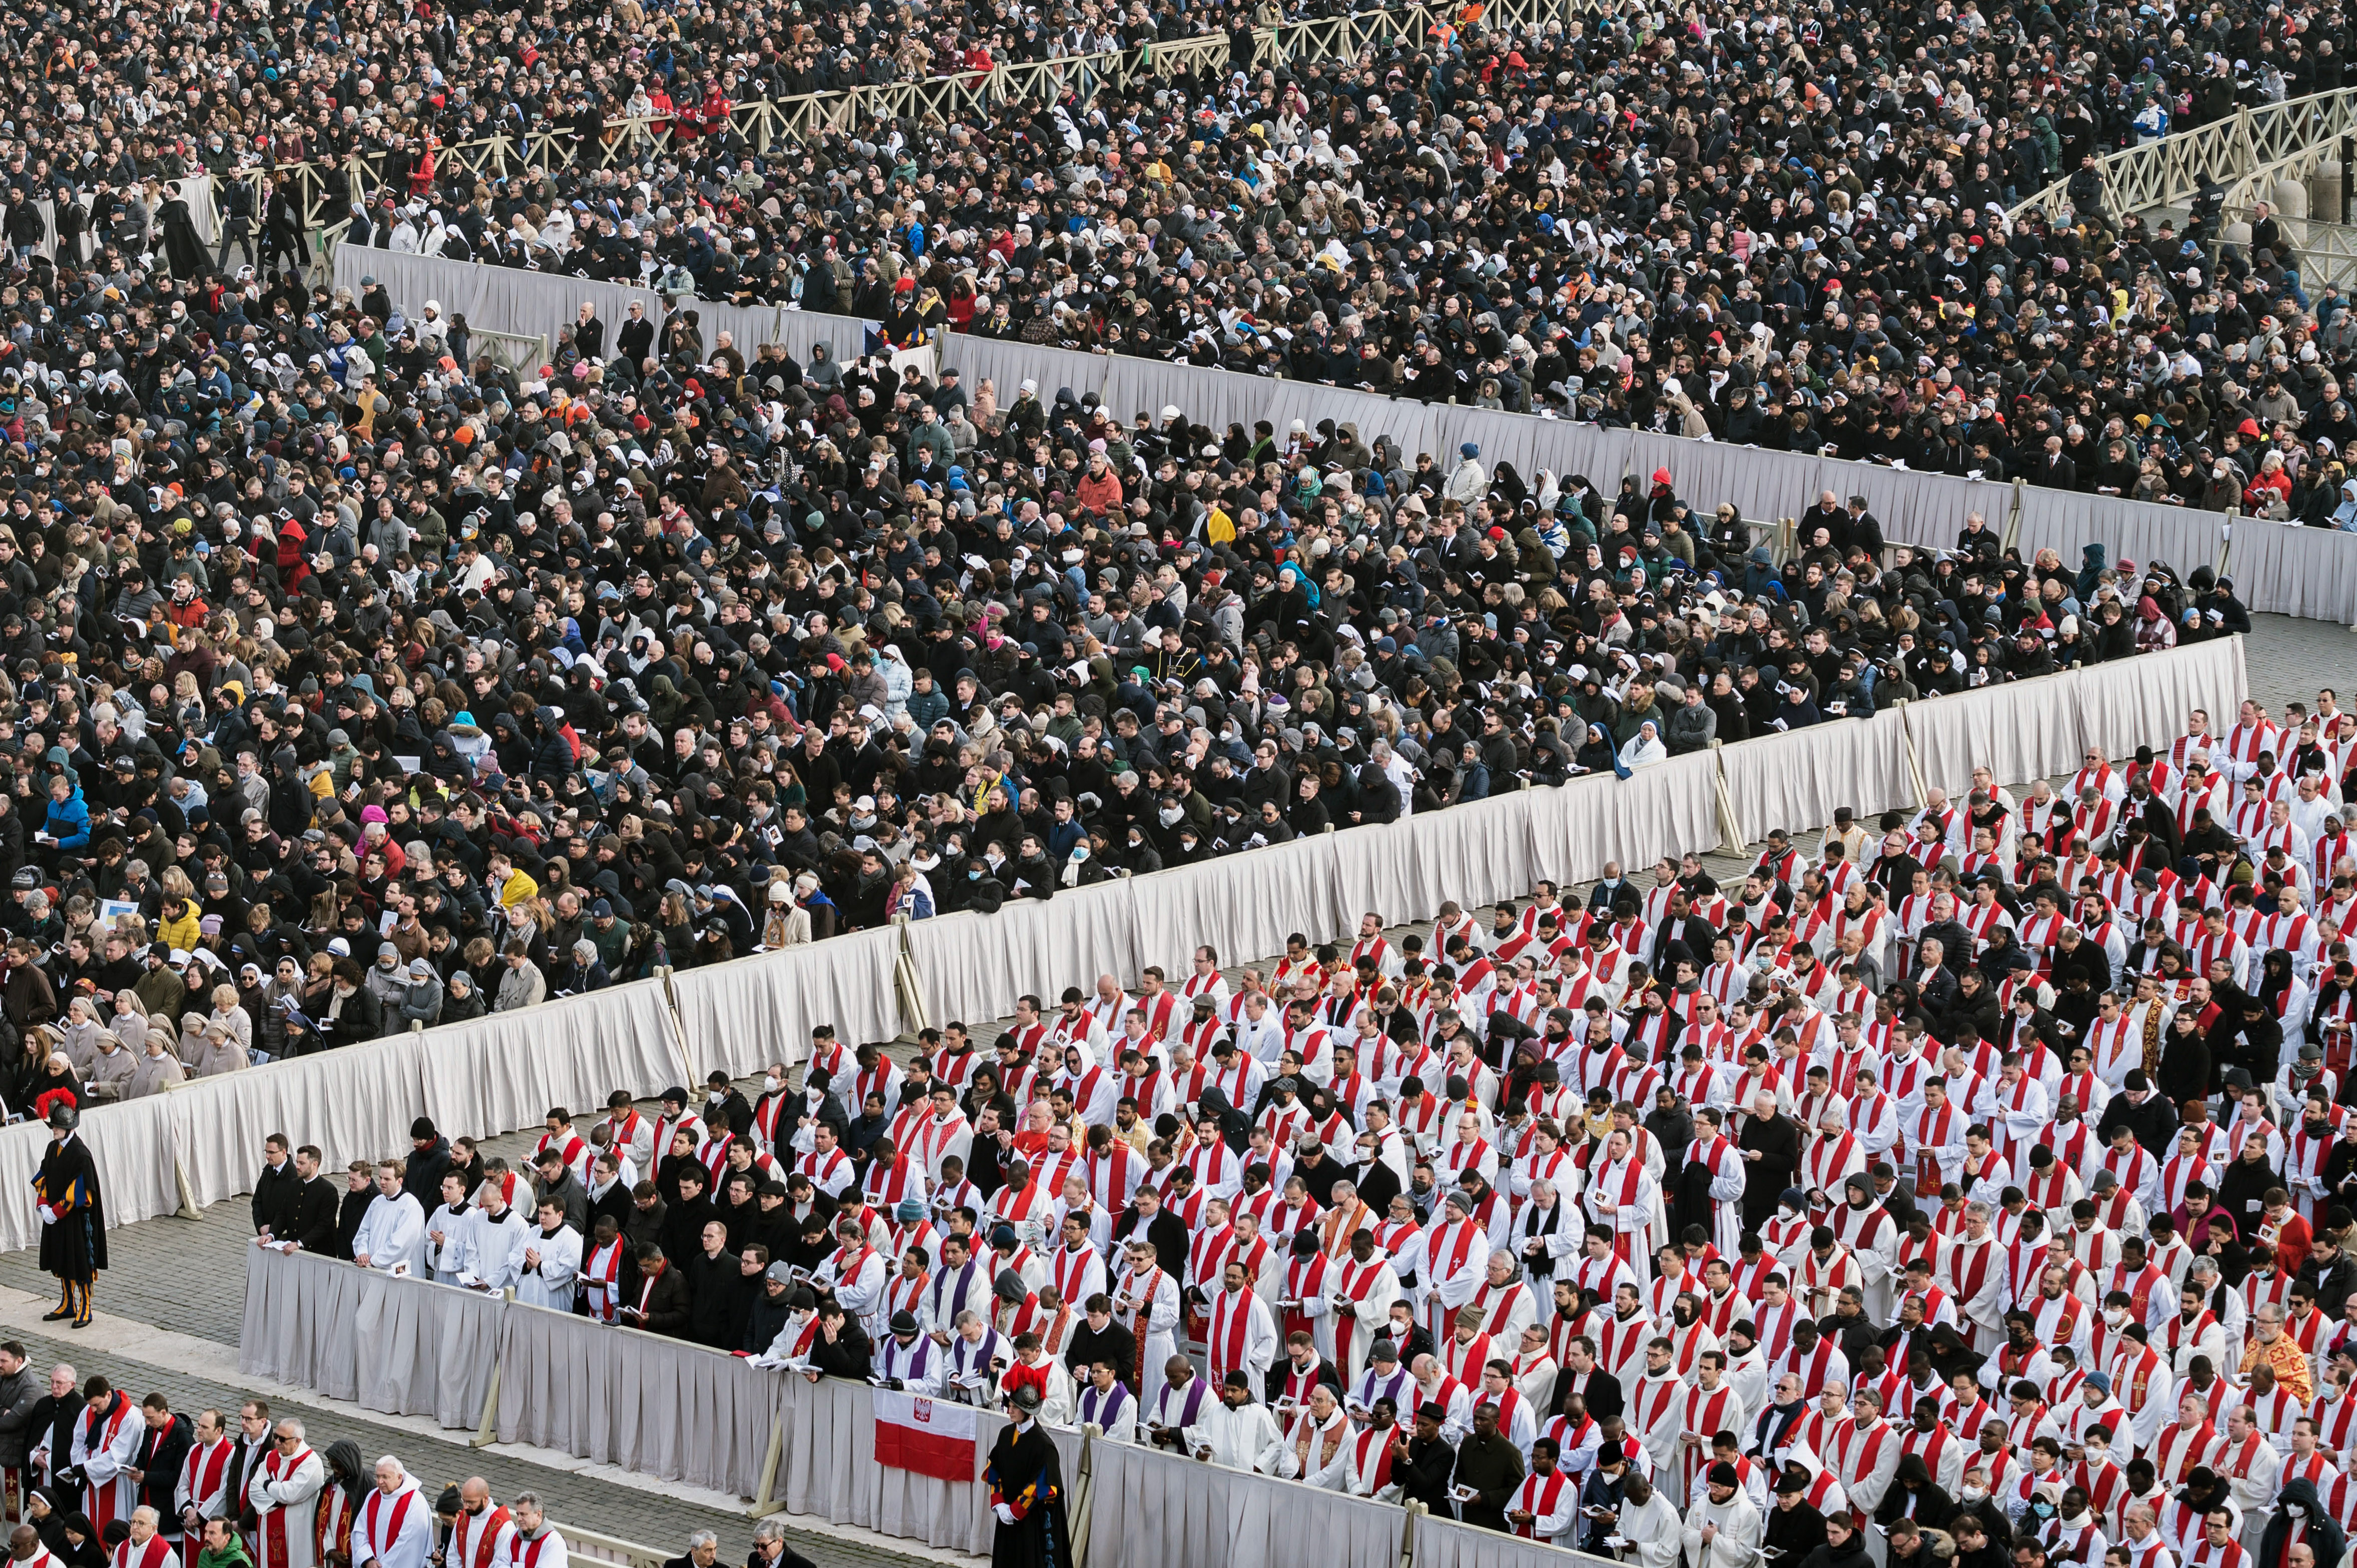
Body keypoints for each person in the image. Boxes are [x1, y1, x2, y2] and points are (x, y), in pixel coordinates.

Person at [985, 1384, 1073, 1568]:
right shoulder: (1006, 1434)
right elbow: (994, 1470)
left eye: (1015, 1407)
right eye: (1009, 1405)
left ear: (1028, 1411)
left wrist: (1014, 1511)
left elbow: (1043, 1486)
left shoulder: (1043, 1445)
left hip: (1030, 1524)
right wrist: (999, 1503)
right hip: (1005, 1520)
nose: (1010, 1410)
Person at [34, 1104, 104, 1327]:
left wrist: (56, 1211)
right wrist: (44, 1205)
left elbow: (80, 1189)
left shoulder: (80, 1155)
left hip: (75, 1221)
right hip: (55, 1218)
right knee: (60, 1258)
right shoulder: (52, 1148)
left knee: (80, 1262)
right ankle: (68, 1303)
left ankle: (85, 1307)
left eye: (57, 1127)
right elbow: (43, 1175)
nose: (53, 1130)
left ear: (68, 1128)